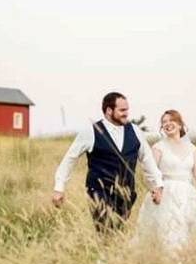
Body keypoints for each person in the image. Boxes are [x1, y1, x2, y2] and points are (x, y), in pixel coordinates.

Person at [52, 92, 164, 232]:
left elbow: (147, 160)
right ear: (109, 111)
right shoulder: (91, 131)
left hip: (126, 194)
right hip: (99, 193)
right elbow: (70, 158)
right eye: (122, 110)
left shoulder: (135, 131)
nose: (126, 114)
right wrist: (59, 187)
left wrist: (157, 185)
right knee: (105, 231)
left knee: (118, 233)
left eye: (127, 110)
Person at [133, 109, 196, 258]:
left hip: (188, 196)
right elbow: (150, 173)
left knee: (187, 232)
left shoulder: (192, 149)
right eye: (164, 122)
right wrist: (155, 191)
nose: (167, 124)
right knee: (170, 232)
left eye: (171, 120)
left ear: (179, 124)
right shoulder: (158, 147)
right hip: (166, 195)